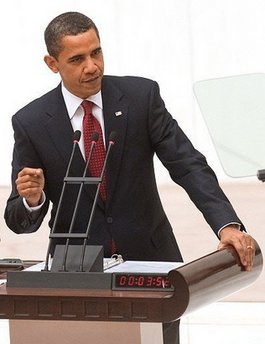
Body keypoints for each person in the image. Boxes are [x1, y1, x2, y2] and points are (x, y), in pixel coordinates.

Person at [4, 12, 255, 344]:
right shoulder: (31, 121)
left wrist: (227, 225)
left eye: (97, 52)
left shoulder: (141, 97)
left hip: (153, 268)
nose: (92, 66)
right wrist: (32, 200)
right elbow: (19, 221)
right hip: (75, 276)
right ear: (52, 63)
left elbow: (188, 165)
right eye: (77, 59)